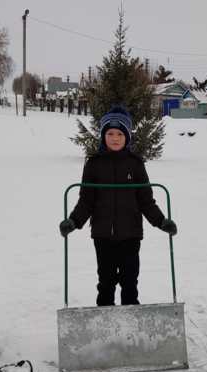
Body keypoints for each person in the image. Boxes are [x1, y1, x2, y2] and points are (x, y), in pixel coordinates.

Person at [59, 106, 177, 306]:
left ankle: (130, 322)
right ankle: (105, 320)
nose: (115, 138)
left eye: (120, 133)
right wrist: (73, 221)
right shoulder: (94, 164)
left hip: (130, 235)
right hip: (102, 235)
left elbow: (146, 200)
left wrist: (161, 221)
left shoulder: (135, 164)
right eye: (110, 133)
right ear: (103, 136)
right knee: (106, 282)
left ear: (127, 136)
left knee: (130, 282)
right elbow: (86, 200)